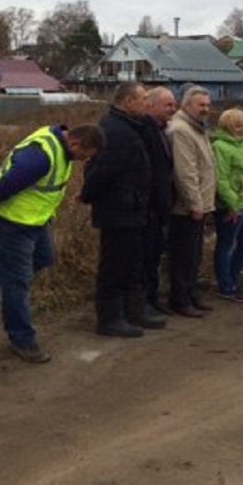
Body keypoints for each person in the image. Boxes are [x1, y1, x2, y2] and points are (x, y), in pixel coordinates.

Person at [0, 123, 105, 363]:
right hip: (12, 223)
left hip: (36, 222)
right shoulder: (40, 157)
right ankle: (22, 339)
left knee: (45, 258)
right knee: (17, 283)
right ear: (75, 143)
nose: (84, 160)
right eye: (85, 155)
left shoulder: (60, 147)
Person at [80, 81, 155, 337]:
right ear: (127, 102)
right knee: (114, 265)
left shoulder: (132, 127)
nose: (147, 103)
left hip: (132, 208)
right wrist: (88, 196)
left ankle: (133, 311)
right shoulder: (115, 130)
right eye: (143, 98)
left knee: (132, 262)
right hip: (117, 211)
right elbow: (102, 172)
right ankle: (109, 318)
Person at [166, 85, 217, 317]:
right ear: (186, 105)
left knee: (194, 254)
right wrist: (195, 204)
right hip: (186, 208)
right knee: (183, 255)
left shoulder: (198, 128)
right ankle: (180, 298)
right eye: (201, 105)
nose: (206, 109)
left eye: (207, 104)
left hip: (201, 203)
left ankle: (191, 293)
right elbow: (185, 172)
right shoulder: (181, 130)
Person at [211, 108, 243, 301]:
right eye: (237, 125)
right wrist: (232, 203)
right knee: (226, 243)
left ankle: (233, 277)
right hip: (233, 205)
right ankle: (225, 284)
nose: (242, 129)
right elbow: (222, 178)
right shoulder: (220, 146)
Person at [140, 87, 177, 319]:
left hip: (160, 207)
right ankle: (143, 302)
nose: (173, 109)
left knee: (154, 257)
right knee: (144, 260)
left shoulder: (162, 131)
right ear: (150, 105)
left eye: (174, 105)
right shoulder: (146, 132)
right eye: (168, 105)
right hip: (148, 209)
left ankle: (152, 299)